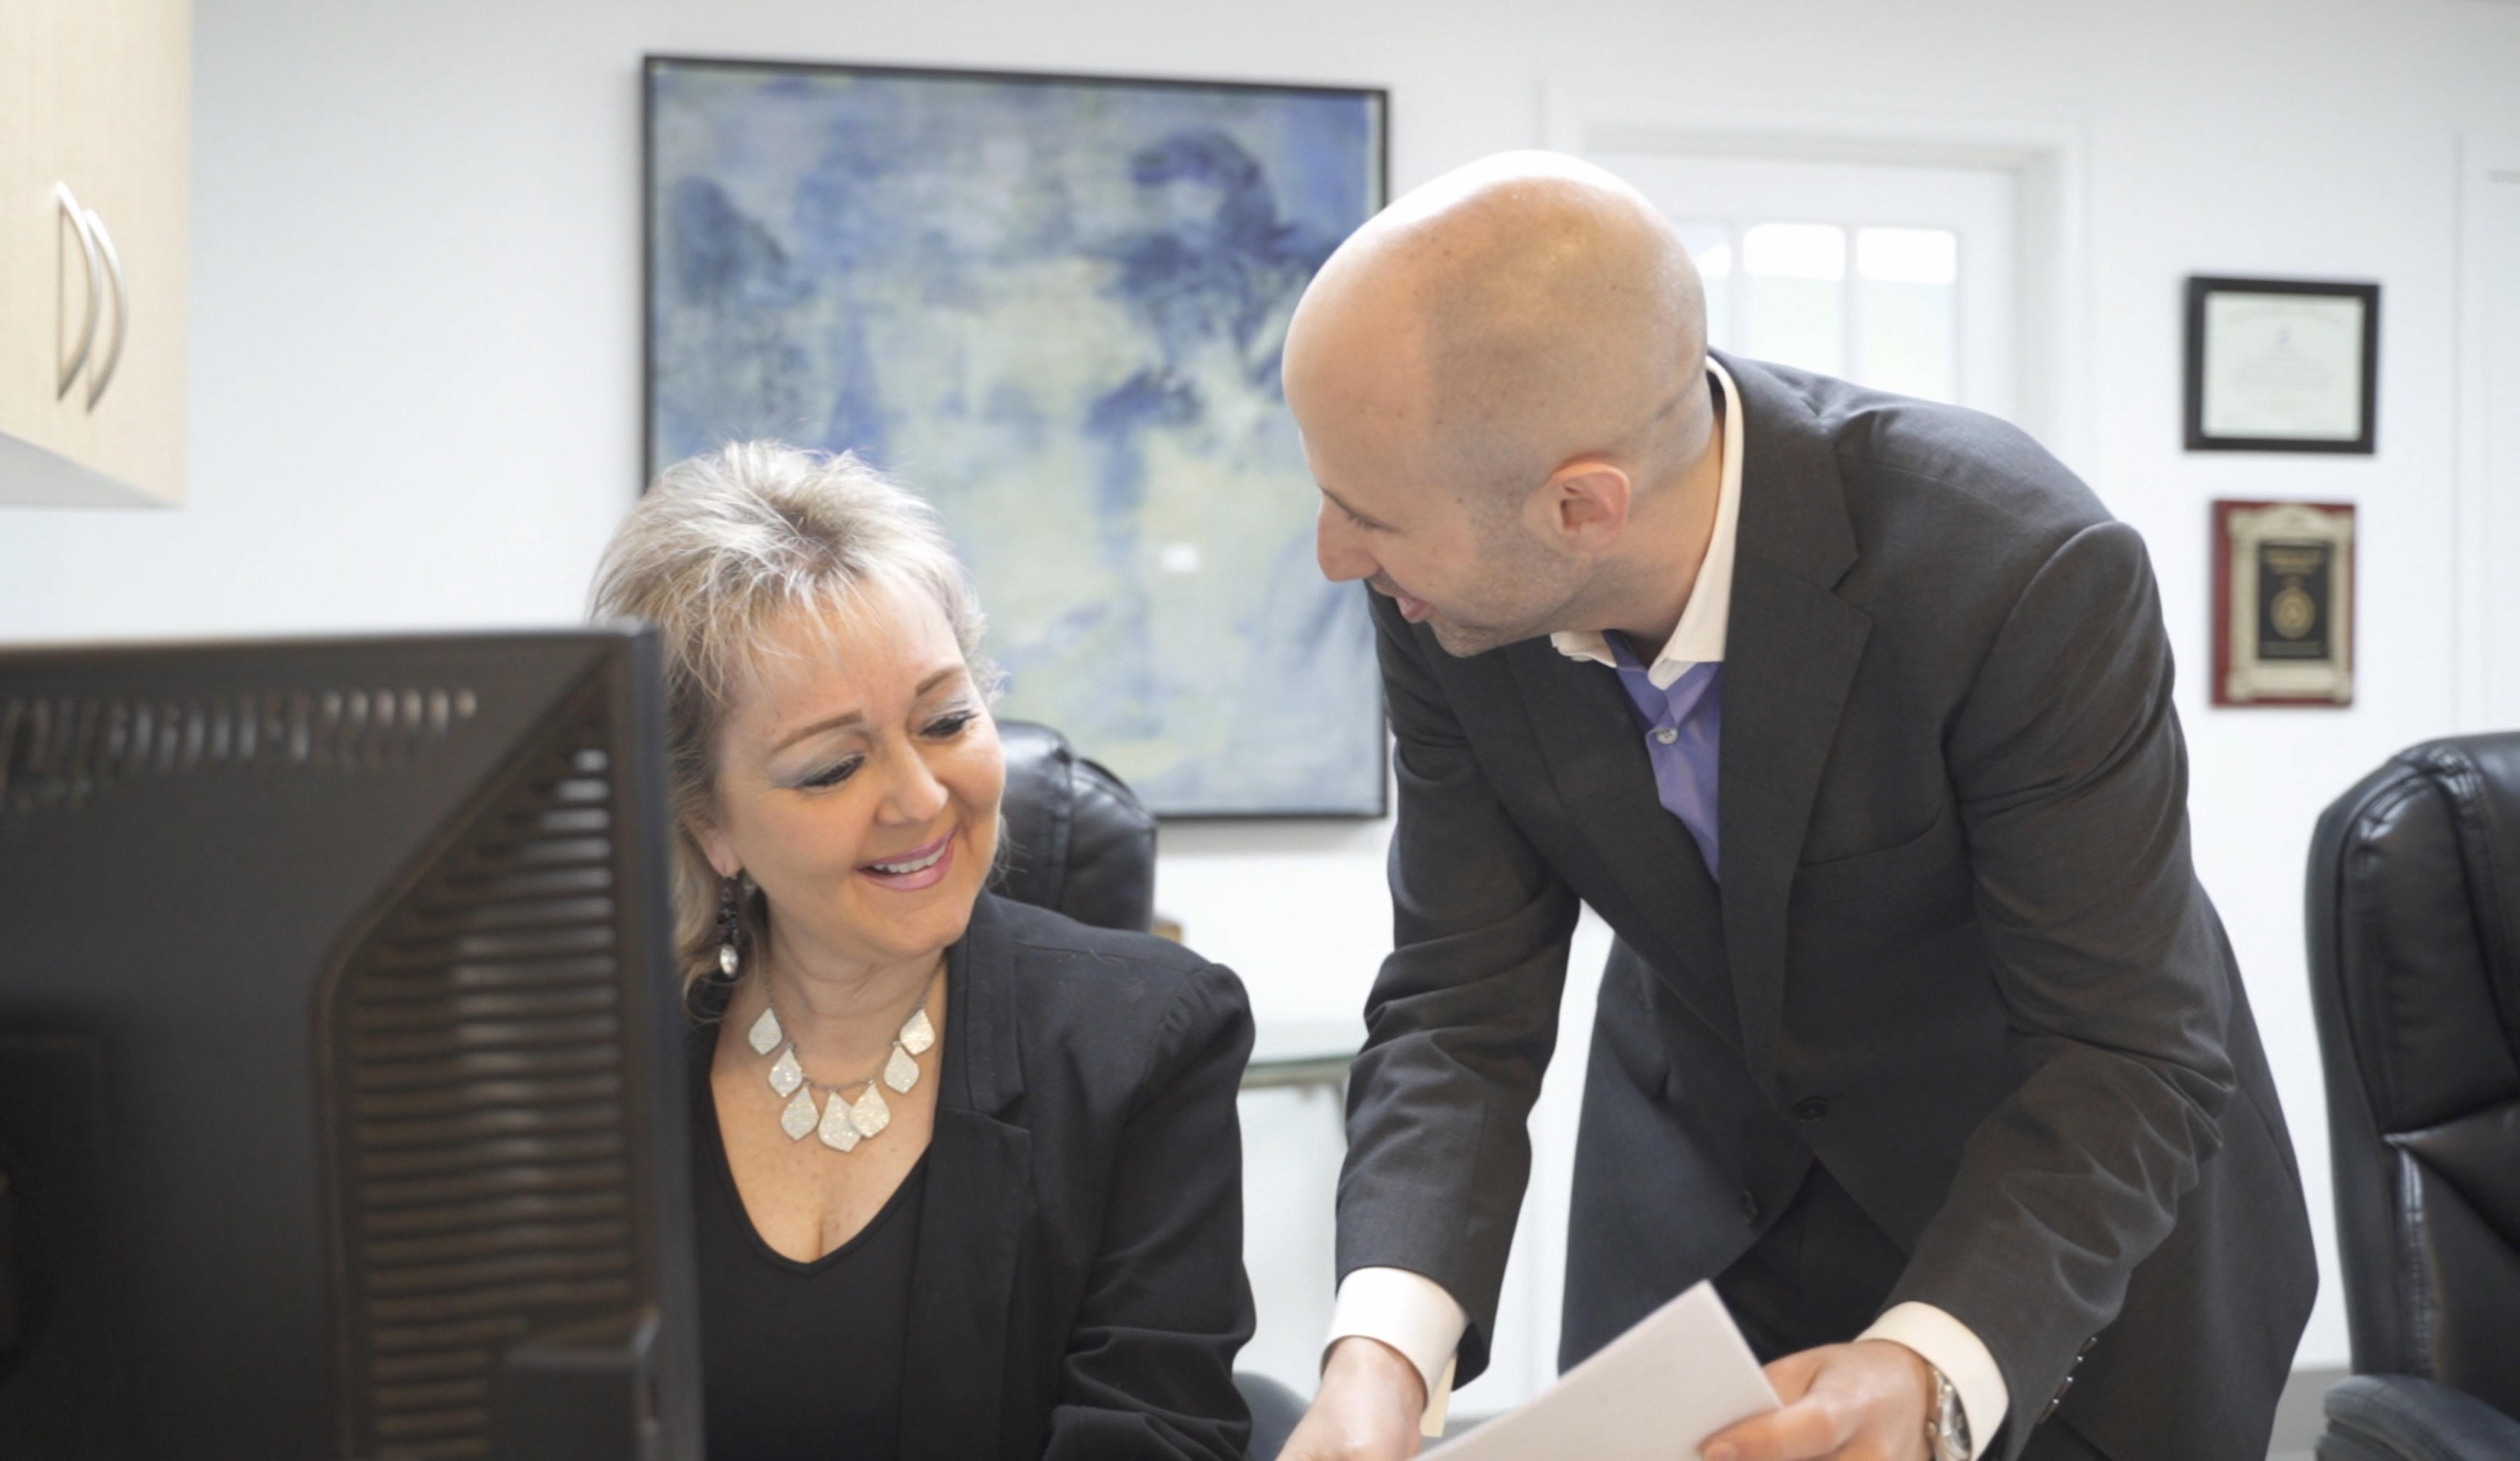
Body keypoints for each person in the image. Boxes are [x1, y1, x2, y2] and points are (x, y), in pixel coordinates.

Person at [1274, 154, 2316, 1461]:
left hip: (2061, 1237)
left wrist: (1927, 1366)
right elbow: (1459, 1001)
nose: (1333, 554)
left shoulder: (2017, 570)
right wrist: (1379, 1358)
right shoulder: (1442, 595)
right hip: (1703, 1215)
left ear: (1581, 504)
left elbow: (2124, 1052)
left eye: (1365, 516)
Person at [591, 442, 1256, 1461]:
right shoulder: (596, 1068)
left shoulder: (1146, 1040)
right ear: (707, 824)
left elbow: (1150, 1434)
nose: (919, 797)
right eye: (832, 767)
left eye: (947, 718)